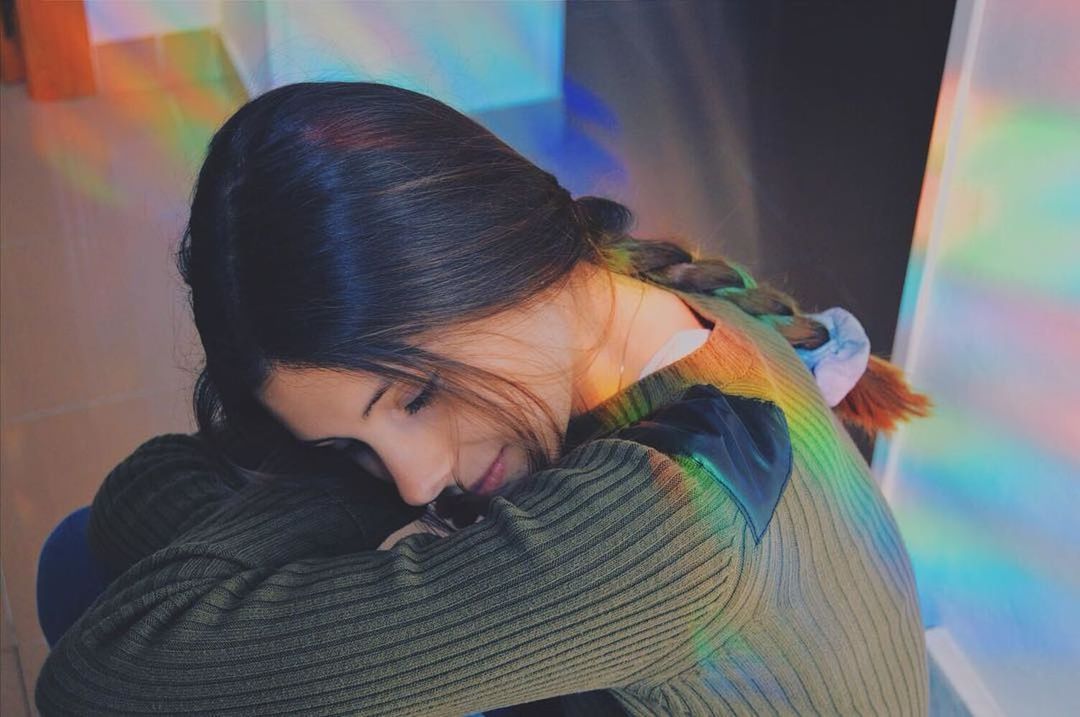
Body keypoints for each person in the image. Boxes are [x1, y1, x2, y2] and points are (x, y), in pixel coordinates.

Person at [34, 81, 932, 716]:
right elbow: (138, 492)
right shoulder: (627, 302)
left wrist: (353, 507)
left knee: (79, 574)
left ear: (496, 262)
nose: (420, 480)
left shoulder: (662, 522)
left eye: (418, 396)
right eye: (352, 445)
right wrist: (362, 486)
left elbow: (105, 677)